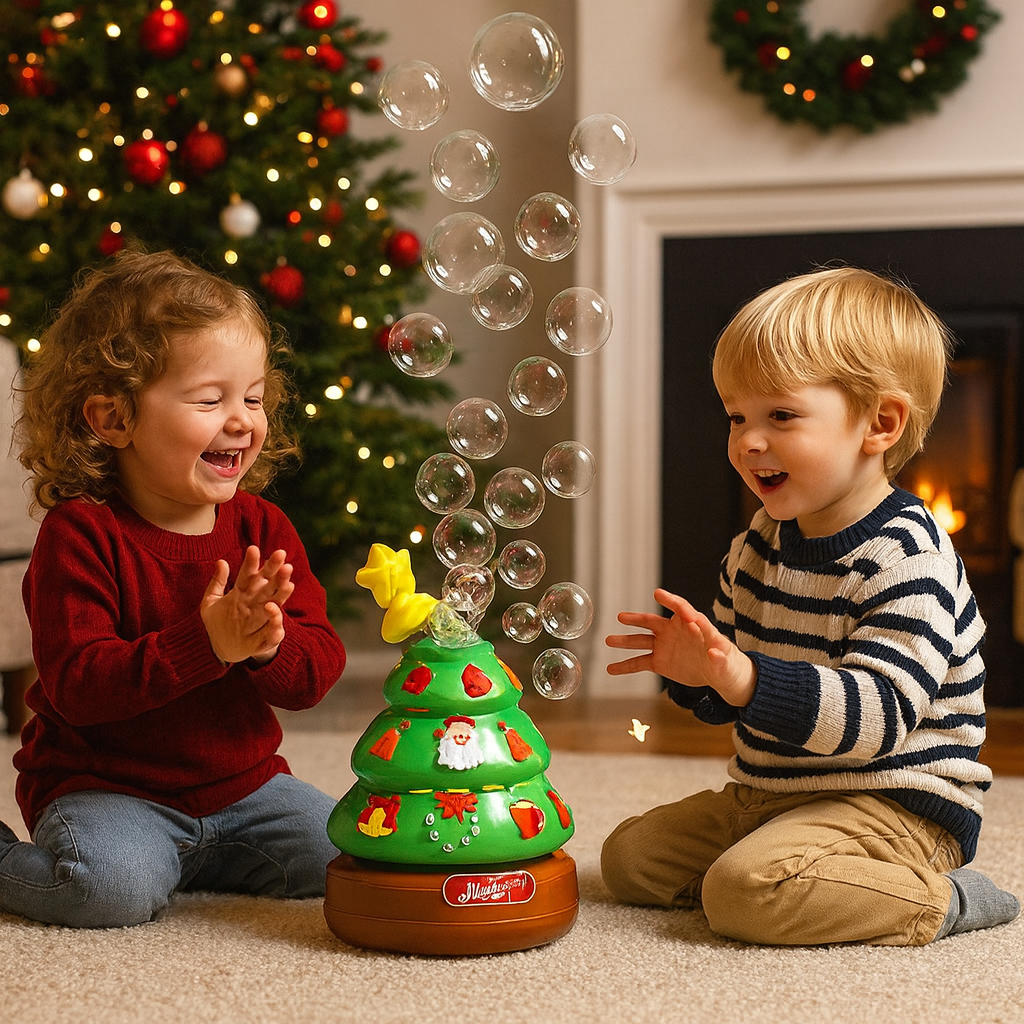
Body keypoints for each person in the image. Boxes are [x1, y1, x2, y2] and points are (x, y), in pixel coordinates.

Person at [602, 266, 1020, 946]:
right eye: (737, 416)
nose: (748, 440)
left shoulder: (907, 557)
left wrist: (743, 679)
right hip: (771, 793)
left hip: (894, 804)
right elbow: (733, 689)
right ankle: (794, 868)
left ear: (880, 423)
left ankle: (942, 899)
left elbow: (876, 720)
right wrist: (696, 674)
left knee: (744, 893)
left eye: (781, 416)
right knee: (629, 859)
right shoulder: (754, 548)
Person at [0, 249, 346, 928]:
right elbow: (79, 686)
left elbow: (315, 674)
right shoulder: (82, 535)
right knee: (108, 892)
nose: (243, 418)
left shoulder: (262, 525)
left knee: (347, 857)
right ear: (114, 419)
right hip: (110, 791)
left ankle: (195, 856)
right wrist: (208, 643)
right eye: (210, 399)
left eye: (252, 397)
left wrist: (266, 648)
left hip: (245, 790)